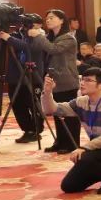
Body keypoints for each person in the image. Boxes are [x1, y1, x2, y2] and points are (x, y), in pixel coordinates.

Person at [41, 68, 101, 194]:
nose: (82, 83)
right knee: (69, 186)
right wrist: (47, 92)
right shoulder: (82, 101)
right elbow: (52, 110)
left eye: (88, 80)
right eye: (82, 79)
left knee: (83, 156)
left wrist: (84, 148)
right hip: (97, 149)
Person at [0, 16, 46, 143]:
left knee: (35, 105)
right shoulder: (15, 35)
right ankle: (28, 130)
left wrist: (9, 38)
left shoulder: (40, 36)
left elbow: (27, 47)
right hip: (15, 77)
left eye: (34, 24)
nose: (29, 26)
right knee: (17, 106)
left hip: (32, 76)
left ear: (40, 25)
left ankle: (37, 130)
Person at [28, 10, 81, 153]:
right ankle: (60, 141)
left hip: (66, 80)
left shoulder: (68, 38)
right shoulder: (50, 37)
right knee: (57, 113)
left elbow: (54, 49)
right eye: (47, 19)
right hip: (53, 79)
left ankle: (72, 144)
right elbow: (37, 49)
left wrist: (38, 36)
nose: (48, 20)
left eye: (52, 18)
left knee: (69, 114)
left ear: (62, 20)